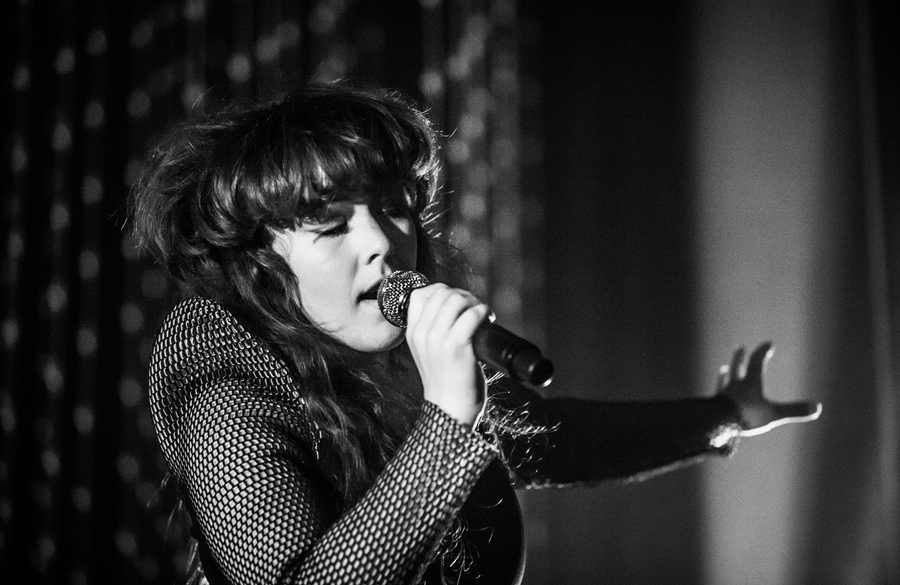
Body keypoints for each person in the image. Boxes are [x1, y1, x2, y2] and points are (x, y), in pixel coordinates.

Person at [130, 82, 821, 585]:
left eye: (396, 208)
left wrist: (726, 417)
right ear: (261, 257)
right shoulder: (222, 376)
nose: (381, 245)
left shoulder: (383, 355)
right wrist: (448, 422)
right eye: (332, 226)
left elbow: (556, 439)